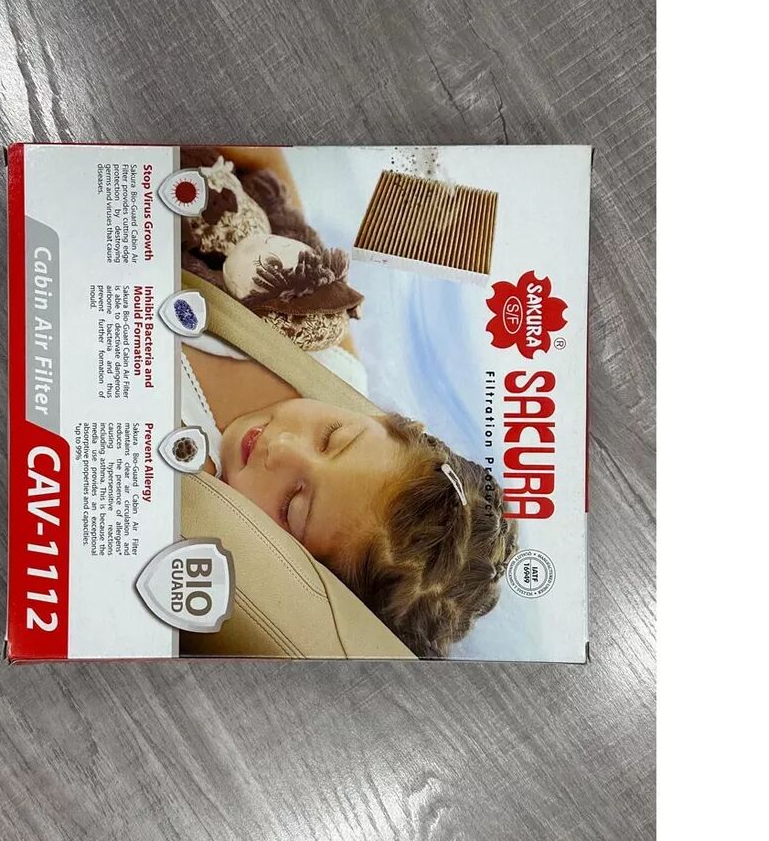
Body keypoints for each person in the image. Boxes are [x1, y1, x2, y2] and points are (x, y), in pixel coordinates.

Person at [179, 146, 518, 658]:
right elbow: (266, 167)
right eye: (332, 436)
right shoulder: (324, 351)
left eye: (294, 505)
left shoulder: (200, 502)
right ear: (385, 420)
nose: (282, 447)